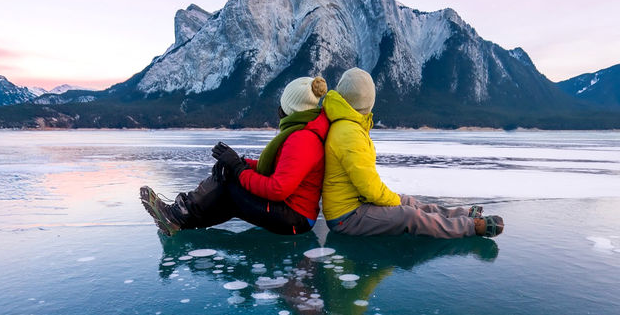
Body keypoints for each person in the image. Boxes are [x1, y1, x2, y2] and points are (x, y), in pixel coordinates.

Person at [321, 68, 504, 238]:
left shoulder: (349, 125)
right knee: (408, 215)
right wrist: (394, 201)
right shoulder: (349, 133)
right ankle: (470, 227)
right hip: (347, 216)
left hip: (357, 205)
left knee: (406, 201)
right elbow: (369, 188)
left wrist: (396, 200)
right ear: (368, 101)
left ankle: (462, 214)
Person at [139, 76, 329, 236]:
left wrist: (237, 168)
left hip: (296, 218)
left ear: (290, 107)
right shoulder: (301, 132)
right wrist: (239, 163)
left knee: (230, 187)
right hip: (293, 213)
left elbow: (278, 189)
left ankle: (177, 216)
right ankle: (179, 220)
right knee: (230, 188)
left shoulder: (303, 139)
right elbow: (280, 168)